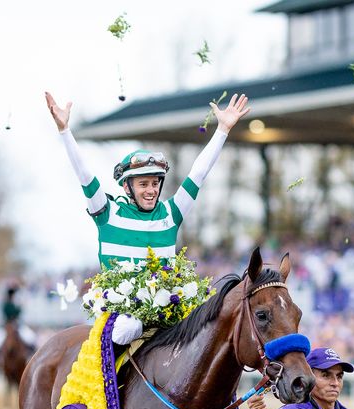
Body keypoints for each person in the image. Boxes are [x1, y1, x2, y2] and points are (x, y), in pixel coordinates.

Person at [45, 90, 249, 345]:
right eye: (143, 184)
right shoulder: (107, 212)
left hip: (168, 311)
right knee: (129, 327)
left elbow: (199, 173)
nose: (151, 190)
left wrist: (222, 130)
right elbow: (84, 175)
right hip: (120, 317)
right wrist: (65, 131)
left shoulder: (170, 214)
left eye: (155, 183)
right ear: (127, 186)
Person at [0, 287, 37, 354]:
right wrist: (20, 306)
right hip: (7, 327)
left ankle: (30, 356)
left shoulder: (14, 304)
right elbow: (13, 313)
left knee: (31, 338)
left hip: (18, 326)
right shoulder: (6, 305)